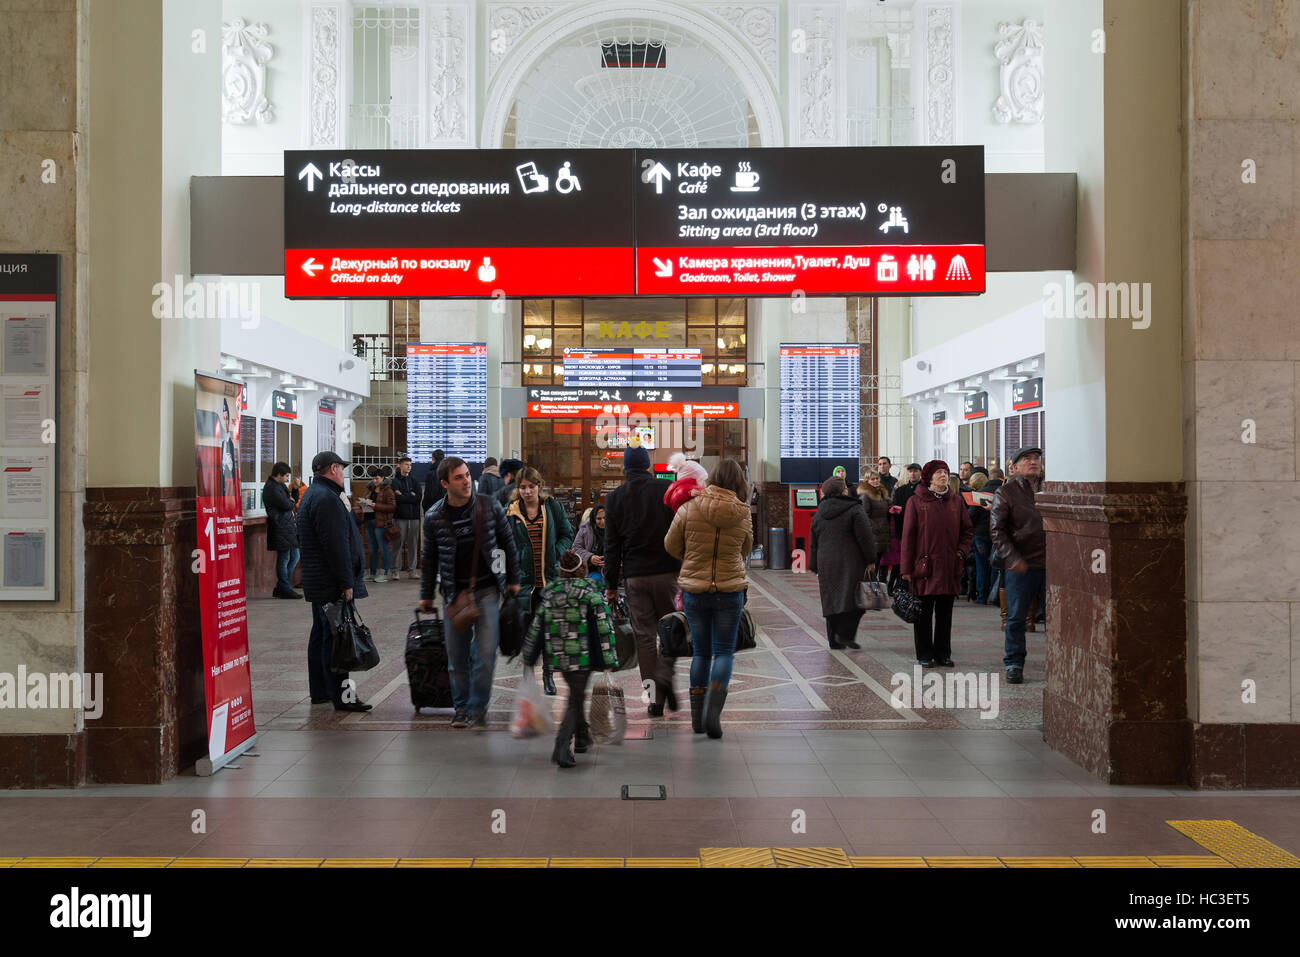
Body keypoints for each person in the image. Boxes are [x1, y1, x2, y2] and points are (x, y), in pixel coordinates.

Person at [419, 456, 520, 729]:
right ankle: (461, 708)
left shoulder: (488, 506)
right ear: (444, 484)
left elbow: (507, 543)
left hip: (487, 590)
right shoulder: (434, 517)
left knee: (485, 655)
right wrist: (426, 594)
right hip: (453, 594)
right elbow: (429, 559)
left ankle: (477, 708)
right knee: (456, 657)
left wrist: (513, 579)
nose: (466, 481)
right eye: (458, 478)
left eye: (466, 475)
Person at [664, 458, 752, 738]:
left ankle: (698, 719)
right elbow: (746, 549)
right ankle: (714, 709)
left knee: (700, 652)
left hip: (695, 590)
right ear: (739, 482)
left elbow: (670, 544)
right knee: (724, 651)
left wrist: (691, 559)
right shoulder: (743, 512)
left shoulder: (690, 507)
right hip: (730, 591)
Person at [521, 550, 619, 767]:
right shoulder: (591, 594)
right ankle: (562, 746)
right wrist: (609, 658)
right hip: (582, 657)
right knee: (575, 699)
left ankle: (583, 737)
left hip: (559, 656)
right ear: (583, 570)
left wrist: (529, 656)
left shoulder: (550, 594)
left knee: (576, 694)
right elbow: (604, 627)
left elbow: (537, 628)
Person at [603, 442, 681, 717]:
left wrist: (611, 585)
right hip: (668, 573)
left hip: (635, 577)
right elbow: (679, 531)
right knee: (673, 633)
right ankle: (665, 679)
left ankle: (654, 700)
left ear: (625, 467)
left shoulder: (614, 499)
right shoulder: (665, 490)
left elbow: (611, 548)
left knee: (644, 639)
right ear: (647, 465)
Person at [296, 451, 371, 712]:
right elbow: (336, 546)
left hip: (319, 580)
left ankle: (320, 691)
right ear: (332, 468)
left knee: (321, 634)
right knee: (338, 638)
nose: (343, 474)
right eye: (341, 468)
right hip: (330, 582)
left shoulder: (313, 495)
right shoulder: (327, 498)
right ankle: (342, 697)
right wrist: (346, 582)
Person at [505, 466, 574, 696]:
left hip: (549, 579)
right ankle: (527, 676)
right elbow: (502, 544)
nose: (527, 491)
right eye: (522, 487)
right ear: (518, 489)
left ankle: (547, 675)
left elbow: (567, 534)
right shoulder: (511, 512)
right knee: (526, 633)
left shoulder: (552, 507)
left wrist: (556, 552)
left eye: (531, 486)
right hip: (524, 583)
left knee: (548, 631)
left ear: (539, 486)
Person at [900, 460, 973, 668]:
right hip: (924, 567)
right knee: (923, 613)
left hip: (950, 565)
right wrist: (905, 568)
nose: (943, 475)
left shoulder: (956, 501)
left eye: (946, 472)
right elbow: (908, 536)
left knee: (945, 613)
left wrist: (961, 552)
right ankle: (924, 653)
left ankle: (943, 653)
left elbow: (967, 530)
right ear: (929, 477)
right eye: (939, 472)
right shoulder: (916, 501)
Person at [990, 446, 1046, 685]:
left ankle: (1058, 662)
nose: (1033, 462)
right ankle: (1014, 663)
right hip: (1022, 565)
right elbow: (997, 530)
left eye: (1036, 458)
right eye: (1027, 459)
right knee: (1016, 618)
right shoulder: (1007, 492)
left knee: (1059, 617)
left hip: (1052, 564)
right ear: (1014, 466)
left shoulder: (1051, 488)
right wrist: (1013, 559)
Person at [811, 474, 876, 650]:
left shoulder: (819, 512)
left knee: (831, 600)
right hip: (851, 561)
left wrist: (813, 565)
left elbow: (813, 541)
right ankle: (845, 634)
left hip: (826, 562)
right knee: (856, 600)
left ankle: (834, 641)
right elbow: (866, 537)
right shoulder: (854, 509)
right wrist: (871, 558)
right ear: (843, 491)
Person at [263, 462, 301, 599]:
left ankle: (282, 586)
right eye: (286, 476)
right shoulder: (272, 488)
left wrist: (295, 491)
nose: (287, 479)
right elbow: (287, 505)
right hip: (280, 527)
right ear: (278, 475)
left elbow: (292, 502)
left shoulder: (280, 486)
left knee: (295, 556)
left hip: (287, 527)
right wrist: (290, 500)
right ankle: (284, 587)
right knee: (284, 558)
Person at [354, 468, 396, 583]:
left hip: (381, 523)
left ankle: (384, 573)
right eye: (373, 478)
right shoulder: (370, 488)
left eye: (377, 478)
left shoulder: (388, 490)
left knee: (384, 548)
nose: (374, 481)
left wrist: (375, 505)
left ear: (382, 478)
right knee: (372, 549)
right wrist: (363, 503)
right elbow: (366, 500)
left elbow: (392, 507)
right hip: (369, 521)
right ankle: (372, 573)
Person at [389, 456, 422, 580]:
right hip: (400, 517)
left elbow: (418, 498)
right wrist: (409, 496)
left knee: (413, 544)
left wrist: (404, 496)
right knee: (397, 543)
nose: (409, 467)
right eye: (406, 464)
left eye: (410, 465)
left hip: (414, 517)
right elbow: (397, 498)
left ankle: (412, 570)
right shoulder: (395, 481)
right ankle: (395, 570)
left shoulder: (415, 481)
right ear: (400, 465)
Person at [857, 469, 892, 577]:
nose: (876, 481)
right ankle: (866, 592)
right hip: (873, 535)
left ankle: (873, 591)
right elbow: (864, 516)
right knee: (870, 567)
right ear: (867, 481)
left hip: (882, 534)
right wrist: (874, 528)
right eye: (873, 479)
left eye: (877, 478)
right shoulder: (865, 496)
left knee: (877, 564)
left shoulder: (881, 493)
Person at [967, 471, 994, 604]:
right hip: (996, 534)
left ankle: (982, 596)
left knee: (981, 565)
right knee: (995, 565)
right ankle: (994, 596)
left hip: (980, 534)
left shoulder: (979, 494)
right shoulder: (1002, 492)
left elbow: (971, 516)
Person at [572, 505, 607, 583]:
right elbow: (575, 548)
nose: (602, 521)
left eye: (605, 518)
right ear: (594, 518)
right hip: (590, 571)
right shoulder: (585, 529)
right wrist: (590, 557)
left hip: (611, 571)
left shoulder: (614, 530)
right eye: (599, 518)